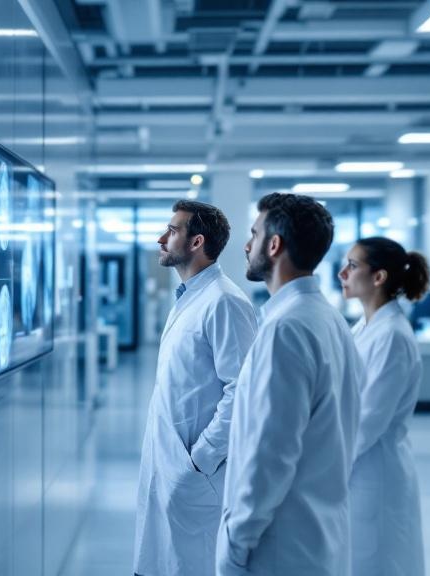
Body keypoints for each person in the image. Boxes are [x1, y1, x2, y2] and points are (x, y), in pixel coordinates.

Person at [216, 192, 363, 576]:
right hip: (317, 538)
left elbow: (270, 453)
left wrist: (236, 542)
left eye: (253, 233)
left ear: (275, 245)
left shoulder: (286, 329)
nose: (247, 245)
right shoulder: (329, 321)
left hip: (279, 546)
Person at [134, 200, 258, 576]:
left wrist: (201, 458)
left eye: (172, 231)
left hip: (196, 469)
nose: (161, 237)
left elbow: (242, 392)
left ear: (196, 242)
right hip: (171, 462)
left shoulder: (225, 302)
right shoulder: (190, 298)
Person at [338, 237, 429, 576]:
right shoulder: (365, 327)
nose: (342, 273)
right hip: (359, 467)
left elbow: (368, 422)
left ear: (378, 277)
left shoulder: (392, 335)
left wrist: (322, 464)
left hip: (374, 469)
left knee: (378, 560)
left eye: (352, 266)